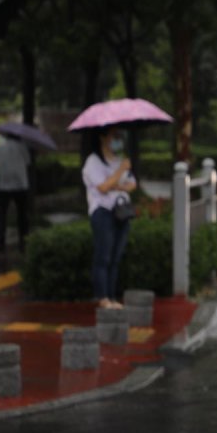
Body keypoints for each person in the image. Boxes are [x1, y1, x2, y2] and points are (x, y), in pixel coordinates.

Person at [81, 126, 136, 310]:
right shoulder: (93, 162)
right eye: (114, 136)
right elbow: (102, 188)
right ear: (103, 137)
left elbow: (131, 185)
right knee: (103, 256)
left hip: (122, 212)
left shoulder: (120, 160)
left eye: (120, 136)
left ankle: (112, 297)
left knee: (115, 256)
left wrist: (115, 183)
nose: (118, 140)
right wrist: (119, 173)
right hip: (102, 212)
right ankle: (102, 297)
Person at [0, 133, 32, 253]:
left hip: (4, 186)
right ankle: (23, 241)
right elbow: (27, 163)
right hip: (21, 185)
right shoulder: (23, 147)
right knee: (22, 214)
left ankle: (1, 241)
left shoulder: (0, 147)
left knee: (2, 214)